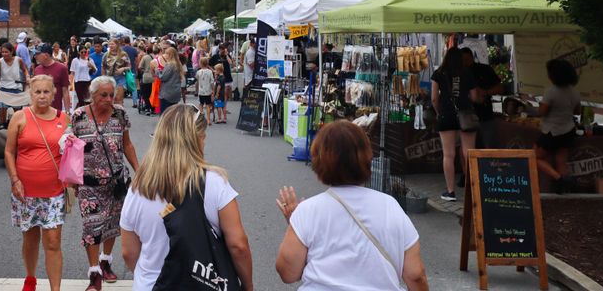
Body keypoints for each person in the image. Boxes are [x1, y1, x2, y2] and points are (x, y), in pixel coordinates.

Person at [275, 120, 429, 290]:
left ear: (319, 160)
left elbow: (288, 273)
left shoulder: (307, 211)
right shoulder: (390, 206)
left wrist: (296, 223)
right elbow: (416, 275)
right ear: (367, 158)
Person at [120, 104, 254, 291]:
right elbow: (239, 245)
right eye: (203, 137)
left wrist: (148, 274)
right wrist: (248, 286)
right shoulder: (214, 182)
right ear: (196, 138)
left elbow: (128, 252)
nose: (204, 142)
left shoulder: (139, 187)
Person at [72, 76, 140, 291]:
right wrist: (72, 181)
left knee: (112, 224)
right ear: (92, 95)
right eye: (104, 95)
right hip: (88, 183)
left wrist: (140, 171)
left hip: (117, 181)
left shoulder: (120, 114)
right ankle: (94, 274)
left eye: (111, 95)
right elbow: (70, 151)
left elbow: (127, 145)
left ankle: (106, 260)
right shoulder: (79, 116)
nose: (109, 99)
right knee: (92, 227)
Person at [4, 75, 70, 291]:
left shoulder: (64, 118)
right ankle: (30, 278)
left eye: (46, 92)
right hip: (25, 192)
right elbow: (9, 151)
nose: (42, 96)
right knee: (30, 238)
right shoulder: (20, 117)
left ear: (53, 94)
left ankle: (55, 288)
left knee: (52, 243)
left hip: (55, 192)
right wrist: (15, 180)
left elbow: (71, 153)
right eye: (37, 92)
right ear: (30, 94)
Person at [431, 47, 475, 201]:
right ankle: (473, 189)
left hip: (446, 114)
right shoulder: (467, 73)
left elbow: (434, 98)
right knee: (469, 153)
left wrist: (438, 112)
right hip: (465, 114)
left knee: (449, 154)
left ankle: (450, 192)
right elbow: (474, 96)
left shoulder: (439, 73)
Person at [534, 59, 581, 191]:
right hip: (568, 130)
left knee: (534, 157)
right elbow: (577, 111)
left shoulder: (551, 91)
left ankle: (558, 178)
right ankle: (563, 187)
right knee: (561, 161)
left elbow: (542, 112)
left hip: (551, 131)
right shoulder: (574, 92)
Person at [0, 42, 30, 129]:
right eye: (3, 52)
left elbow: (25, 70)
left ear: (12, 51)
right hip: (3, 88)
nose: (4, 54)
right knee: (2, 110)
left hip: (16, 88)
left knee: (17, 113)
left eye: (6, 52)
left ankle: (18, 127)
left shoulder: (18, 60)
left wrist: (27, 77)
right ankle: (2, 126)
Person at [462, 49, 502, 149]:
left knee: (488, 146)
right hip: (466, 117)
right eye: (462, 60)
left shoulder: (484, 69)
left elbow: (500, 88)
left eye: (466, 59)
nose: (465, 62)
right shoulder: (458, 73)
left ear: (472, 57)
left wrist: (485, 92)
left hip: (484, 115)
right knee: (469, 149)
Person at [34, 43, 72, 113]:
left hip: (55, 111)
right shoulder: (37, 70)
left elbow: (65, 91)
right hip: (39, 111)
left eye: (37, 54)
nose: (35, 56)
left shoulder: (61, 68)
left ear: (46, 55)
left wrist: (67, 112)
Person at [102, 39, 132, 105]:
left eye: (112, 44)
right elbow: (103, 68)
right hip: (109, 79)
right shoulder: (106, 55)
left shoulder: (123, 54)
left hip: (120, 78)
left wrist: (123, 69)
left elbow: (129, 67)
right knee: (110, 99)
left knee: (118, 99)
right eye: (109, 44)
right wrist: (103, 79)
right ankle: (112, 113)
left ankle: (120, 113)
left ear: (117, 45)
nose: (111, 46)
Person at [154, 46, 183, 112]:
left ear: (170, 55)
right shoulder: (178, 64)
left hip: (167, 92)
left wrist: (157, 71)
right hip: (176, 92)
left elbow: (163, 77)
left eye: (166, 53)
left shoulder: (170, 64)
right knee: (173, 113)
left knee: (165, 114)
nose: (165, 55)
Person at [137, 43, 155, 116]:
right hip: (154, 77)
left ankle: (148, 108)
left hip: (146, 76)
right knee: (152, 93)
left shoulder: (145, 57)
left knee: (145, 93)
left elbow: (140, 67)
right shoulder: (156, 57)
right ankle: (153, 107)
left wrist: (144, 70)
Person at [196, 57, 215, 125]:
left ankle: (201, 119)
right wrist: (213, 90)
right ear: (207, 63)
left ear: (200, 64)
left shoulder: (198, 72)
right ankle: (208, 120)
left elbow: (198, 81)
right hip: (208, 91)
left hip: (201, 91)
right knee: (208, 105)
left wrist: (197, 90)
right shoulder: (210, 72)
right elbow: (212, 82)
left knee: (201, 104)